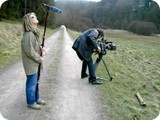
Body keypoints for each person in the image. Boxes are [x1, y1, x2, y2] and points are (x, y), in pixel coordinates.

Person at [21, 12, 46, 110]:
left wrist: (41, 48)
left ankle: (37, 98)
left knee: (36, 81)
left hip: (35, 62)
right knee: (31, 83)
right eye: (32, 17)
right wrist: (40, 58)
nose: (35, 17)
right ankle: (31, 102)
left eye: (35, 15)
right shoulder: (28, 35)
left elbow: (35, 45)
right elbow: (30, 52)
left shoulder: (34, 33)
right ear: (28, 21)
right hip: (31, 64)